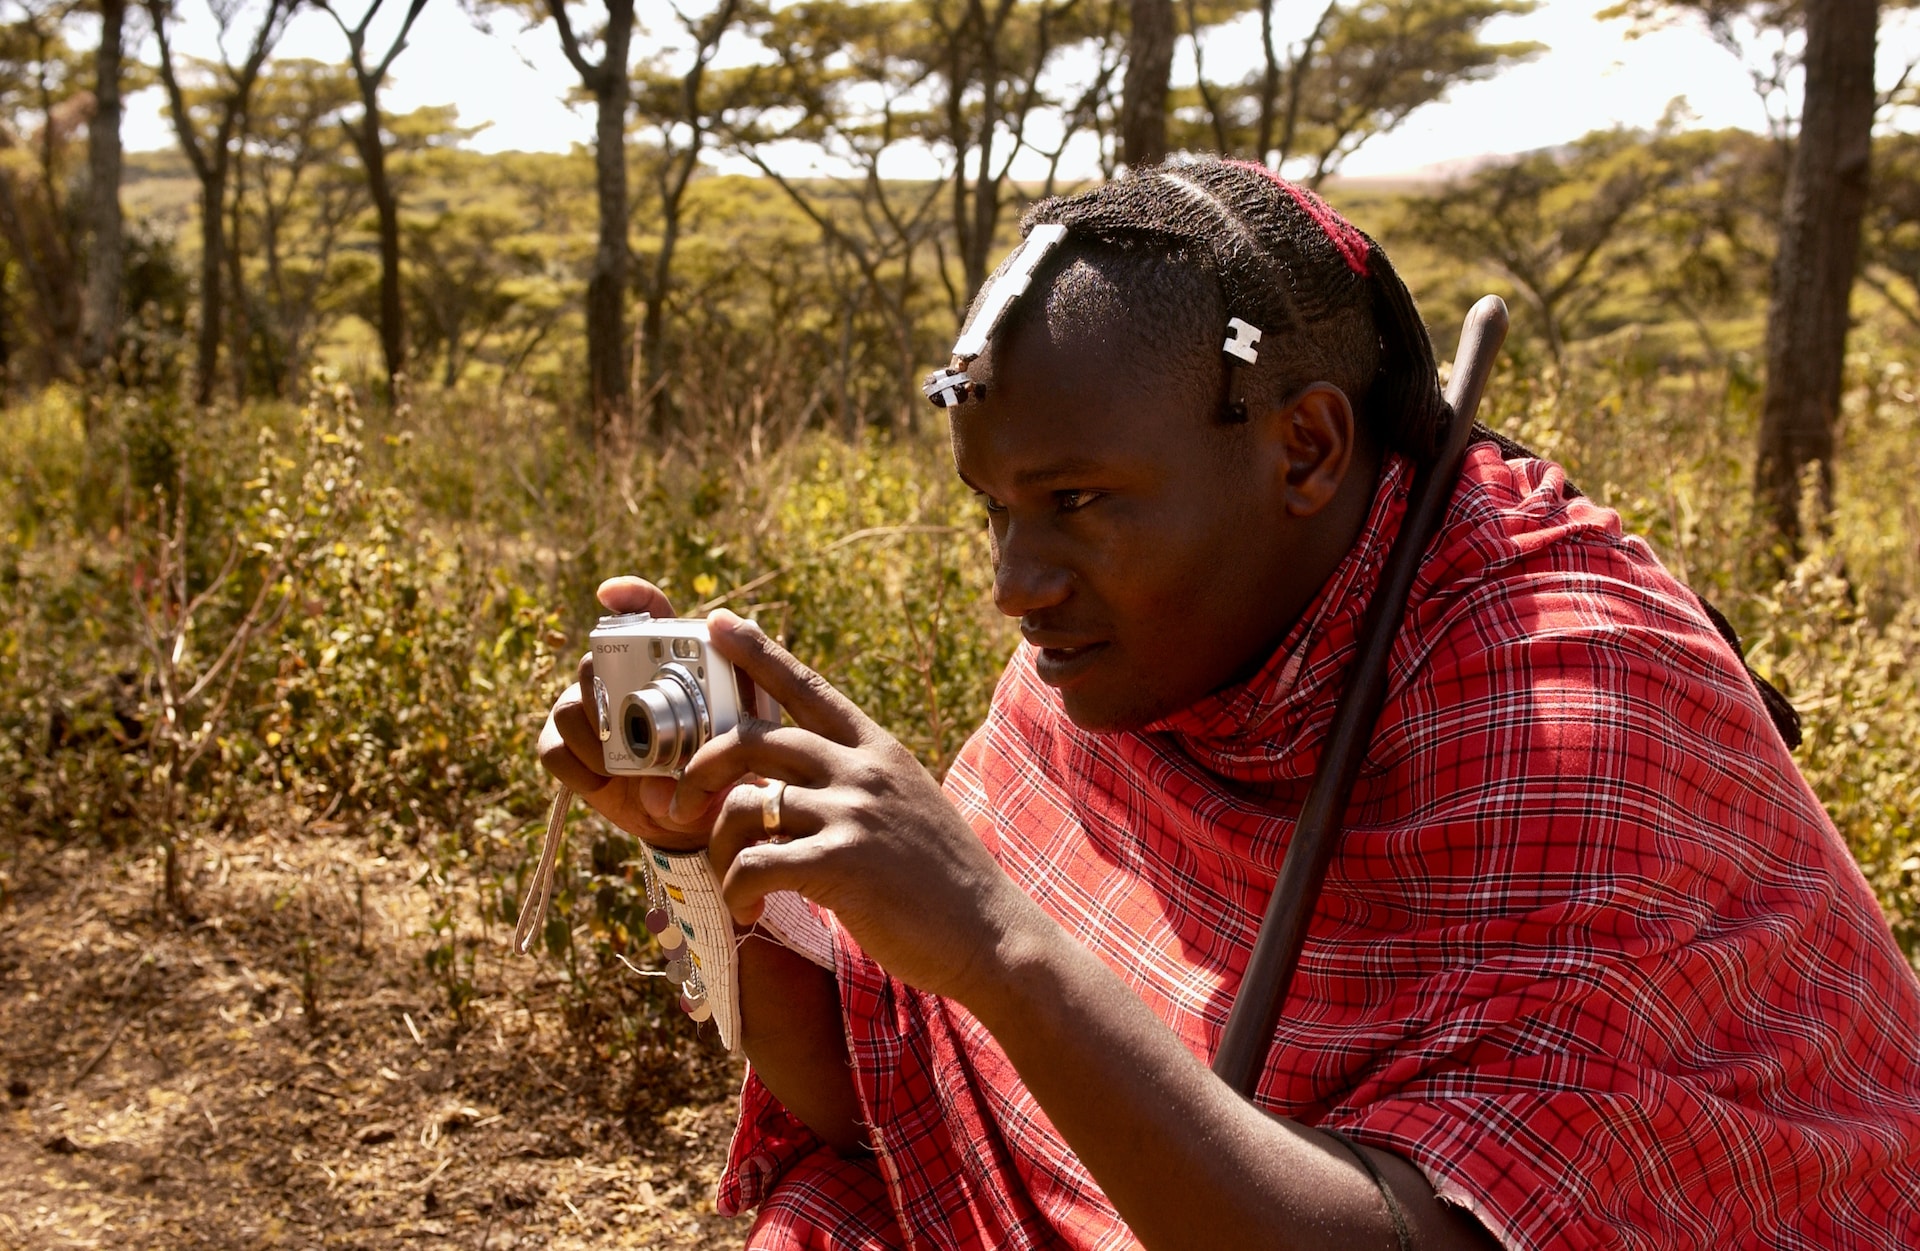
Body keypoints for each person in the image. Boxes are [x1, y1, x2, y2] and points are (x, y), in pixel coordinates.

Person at [538, 158, 1920, 1250]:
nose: (1016, 588)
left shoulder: (1565, 718)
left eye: (1075, 504)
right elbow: (892, 1111)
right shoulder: (1124, 663)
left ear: (1307, 448)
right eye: (996, 514)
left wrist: (998, 945)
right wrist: (705, 849)